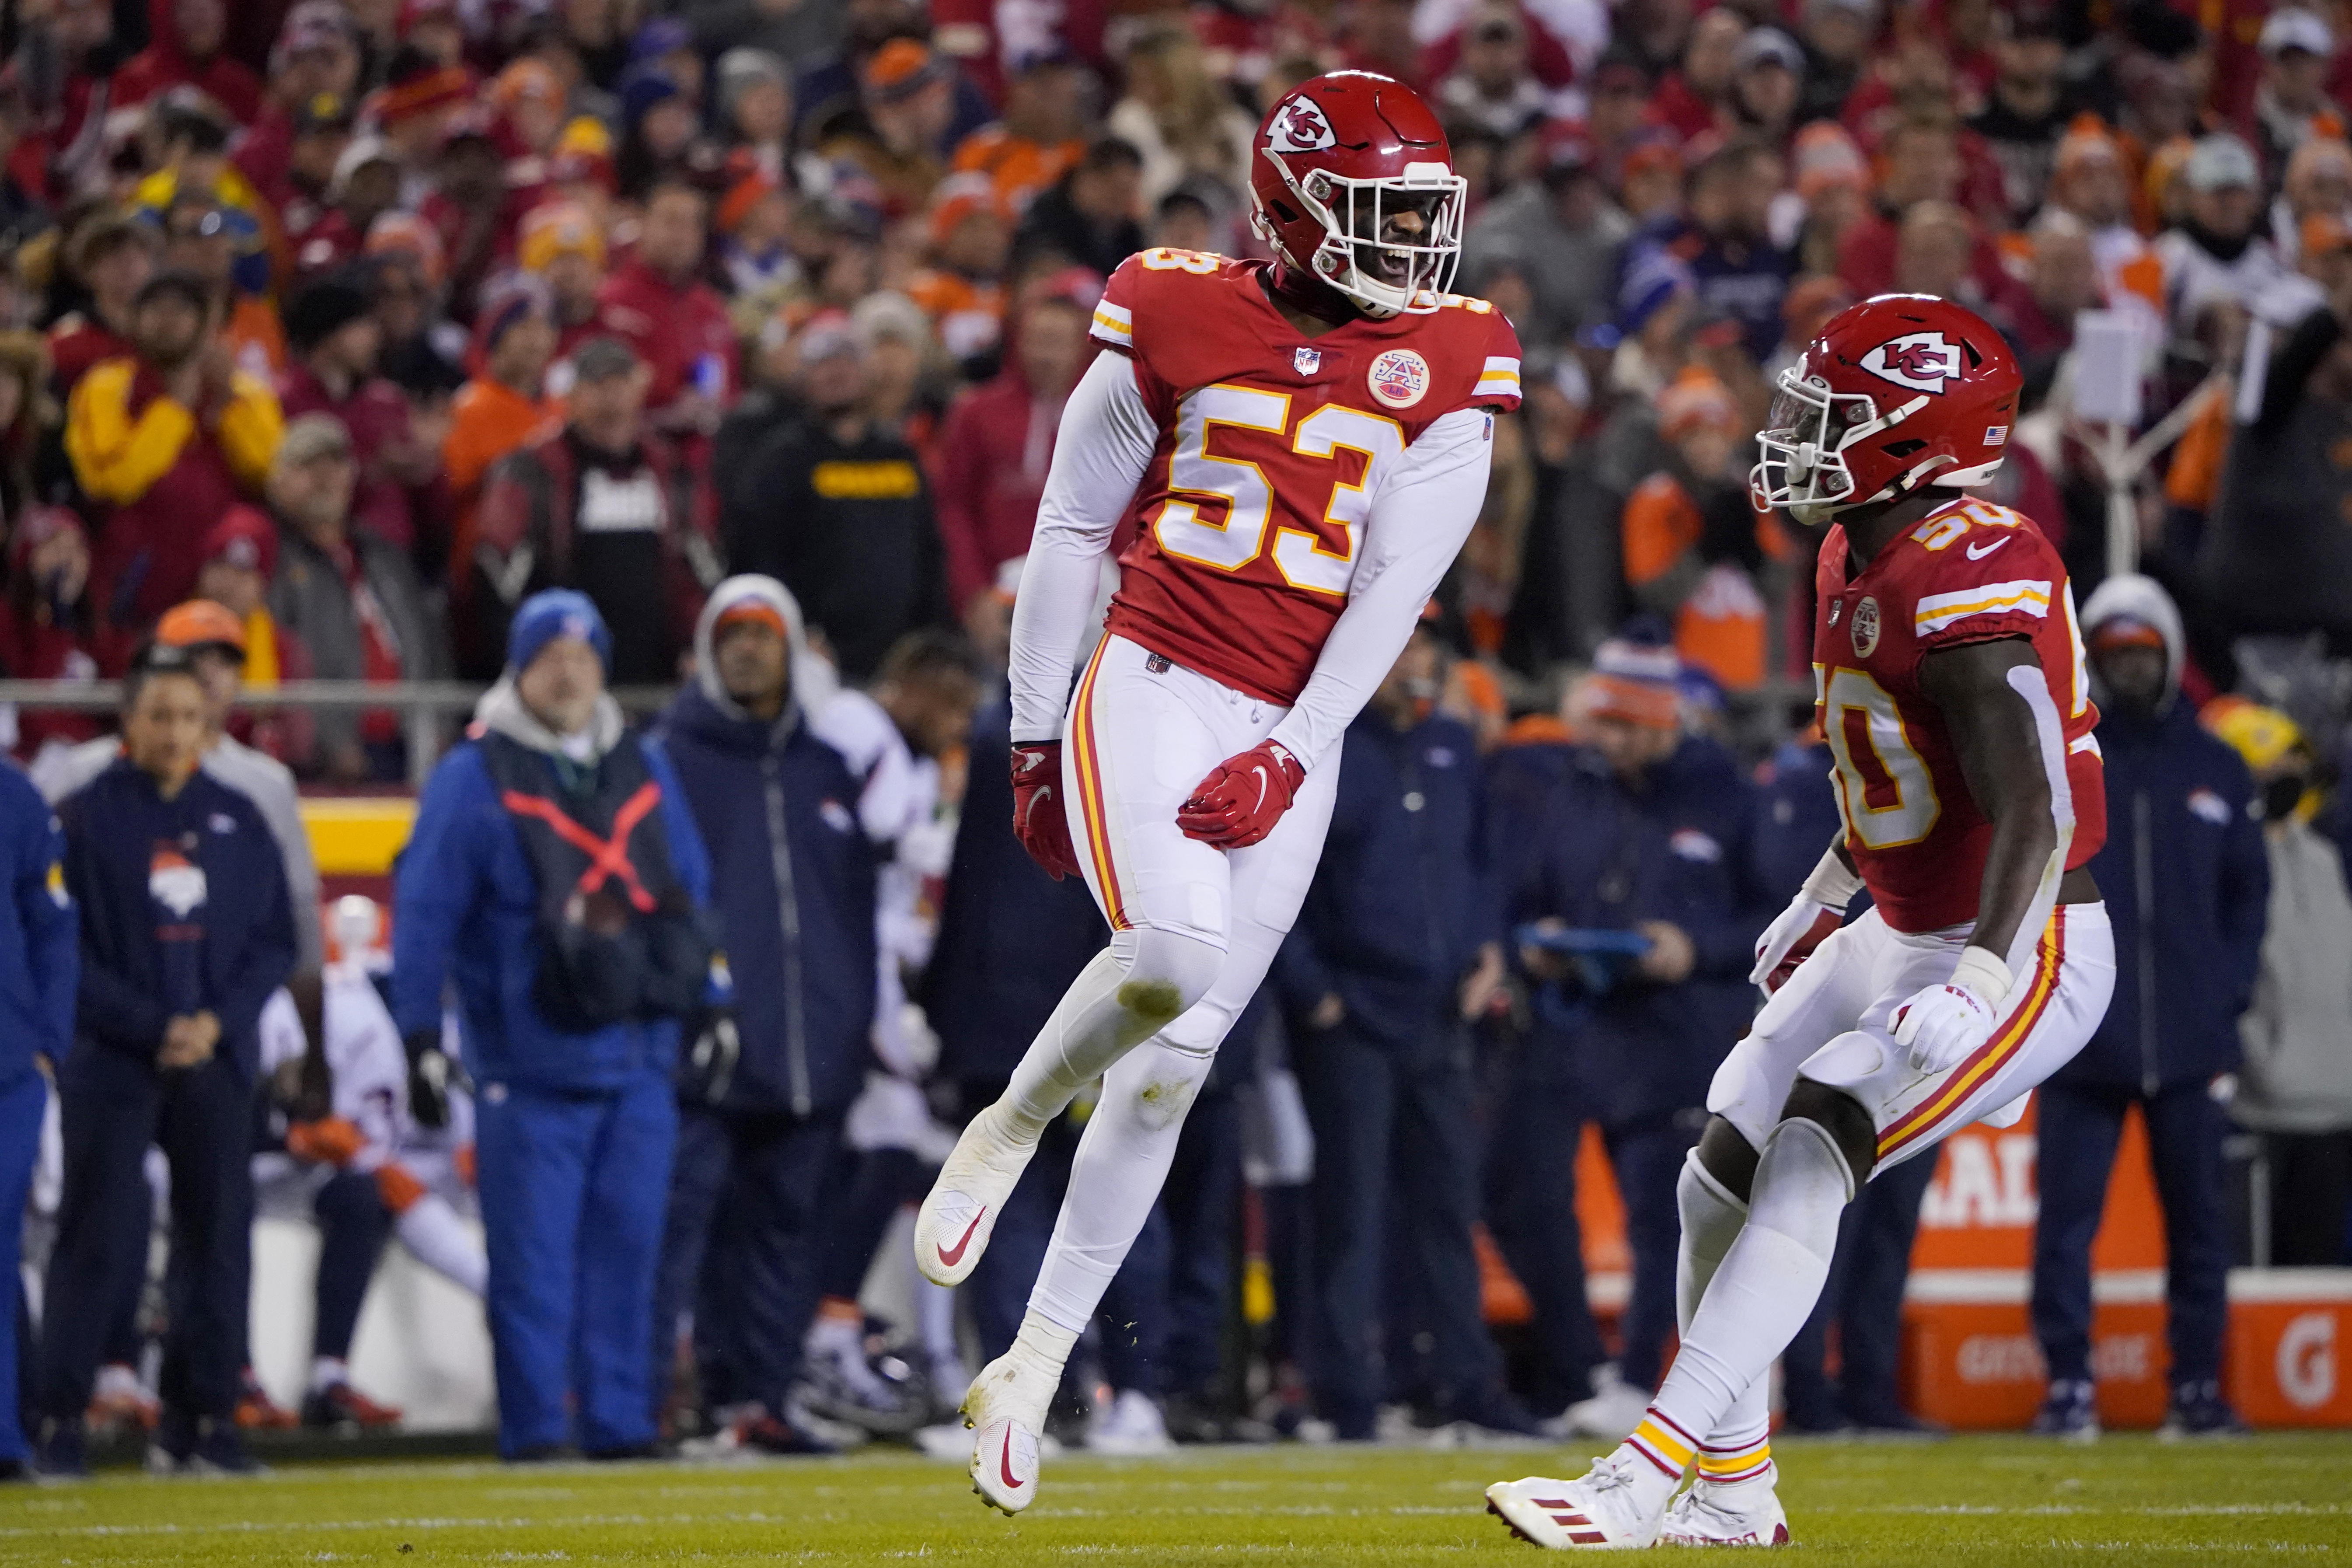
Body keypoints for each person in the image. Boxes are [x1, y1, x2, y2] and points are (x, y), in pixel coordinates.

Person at [911, 72, 1521, 1512]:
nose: (1408, 242)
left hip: (1290, 719)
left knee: (1179, 1063)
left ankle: (1036, 1362)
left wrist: (1296, 747)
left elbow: (1395, 587)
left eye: (1417, 211)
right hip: (1158, 674)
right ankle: (1007, 1122)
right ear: (1289, 205)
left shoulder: (1451, 349)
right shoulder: (1170, 302)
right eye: (1376, 212)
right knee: (1172, 954)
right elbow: (1067, 529)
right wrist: (1027, 732)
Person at [1488, 294, 2112, 1547]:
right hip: (1896, 920)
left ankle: (1643, 1471)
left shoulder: (1971, 567)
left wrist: (1983, 975)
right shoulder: (1848, 552)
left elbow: (2032, 811)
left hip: (2027, 936)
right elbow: (1898, 771)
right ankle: (1735, 1488)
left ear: (1918, 439)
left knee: (1825, 1118)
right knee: (1717, 1165)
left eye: (1828, 414)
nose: (1794, 434)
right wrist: (1823, 896)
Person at [391, 590, 714, 1462]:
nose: (568, 670)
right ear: (518, 668)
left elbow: (688, 891)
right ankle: (535, 1434)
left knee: (628, 1259)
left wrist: (711, 1004)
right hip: (528, 1063)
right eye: (550, 655)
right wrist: (418, 1033)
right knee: (534, 1272)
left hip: (639, 1055)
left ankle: (619, 1425)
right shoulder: (471, 775)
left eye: (583, 654)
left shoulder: (643, 763)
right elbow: (423, 914)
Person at [35, 642, 297, 1477]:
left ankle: (204, 1419)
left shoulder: (241, 817)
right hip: (113, 1057)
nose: (177, 730)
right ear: (129, 720)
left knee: (218, 1236)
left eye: (191, 716)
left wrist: (216, 1022)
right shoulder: (81, 816)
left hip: (216, 1057)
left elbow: (273, 942)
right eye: (161, 715)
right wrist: (154, 1024)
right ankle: (60, 1420)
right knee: (97, 1235)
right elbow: (63, 944)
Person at [1497, 638, 1762, 1441]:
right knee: (1521, 1198)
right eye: (1600, 721)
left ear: (1658, 724)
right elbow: (1529, 889)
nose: (1602, 739)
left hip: (1679, 1035)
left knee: (1661, 1220)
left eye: (1620, 725)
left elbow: (1776, 917)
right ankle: (1585, 1367)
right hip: (1578, 1027)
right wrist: (1533, 939)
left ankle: (1647, 1378)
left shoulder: (1723, 791)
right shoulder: (1575, 788)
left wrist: (1695, 948)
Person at [2030, 575, 2267, 1441]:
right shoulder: (2056, 761)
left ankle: (2197, 1388)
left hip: (2192, 1045)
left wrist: (2225, 991)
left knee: (2201, 1229)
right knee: (2064, 1228)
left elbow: (2250, 896)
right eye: (2113, 653)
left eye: (2144, 651)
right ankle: (2067, 1386)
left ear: (2169, 654)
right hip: (2079, 1043)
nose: (2129, 669)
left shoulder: (2216, 764)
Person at [649, 576, 879, 1454]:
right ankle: (709, 1394)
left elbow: (852, 912)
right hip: (711, 1047)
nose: (746, 649)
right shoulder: (670, 758)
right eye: (730, 634)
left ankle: (769, 1396)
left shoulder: (827, 769)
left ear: (792, 646)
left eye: (762, 633)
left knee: (792, 1230)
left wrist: (855, 1021)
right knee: (704, 1229)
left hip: (813, 1046)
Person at [1273, 627, 1521, 1439]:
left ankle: (1464, 1388)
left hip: (1441, 1011)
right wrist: (1316, 995)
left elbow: (1485, 864)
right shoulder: (1321, 747)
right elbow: (1284, 881)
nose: (1412, 664)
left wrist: (1491, 948)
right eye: (1398, 648)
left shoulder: (1453, 746)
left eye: (1422, 648)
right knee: (1351, 1211)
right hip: (1353, 1015)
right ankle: (1345, 1394)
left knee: (1450, 1207)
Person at [470, 337, 721, 684]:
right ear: (572, 398)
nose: (612, 399)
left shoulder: (671, 470)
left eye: (621, 385)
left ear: (638, 392)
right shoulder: (532, 470)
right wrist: (525, 657)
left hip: (657, 669)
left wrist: (699, 645)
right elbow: (499, 571)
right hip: (561, 668)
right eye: (598, 386)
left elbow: (700, 565)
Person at [725, 315, 950, 684]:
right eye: (823, 364)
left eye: (846, 361)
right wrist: (794, 632)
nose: (836, 373)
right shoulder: (781, 460)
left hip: (899, 659)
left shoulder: (900, 456)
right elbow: (760, 555)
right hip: (815, 657)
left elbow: (928, 550)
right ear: (803, 379)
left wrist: (931, 635)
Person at [2209, 702, 2352, 1267]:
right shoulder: (2220, 863)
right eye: (2269, 773)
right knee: (2249, 1275)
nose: (2287, 784)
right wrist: (2250, 1057)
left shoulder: (2323, 858)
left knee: (2319, 1282)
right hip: (2259, 1108)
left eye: (2294, 772)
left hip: (2336, 1102)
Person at [66, 269, 284, 632]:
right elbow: (112, 481)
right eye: (156, 310)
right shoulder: (105, 386)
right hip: (133, 596)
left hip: (225, 591)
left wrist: (229, 402)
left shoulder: (243, 393)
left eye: (181, 311)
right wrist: (173, 411)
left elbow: (272, 475)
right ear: (134, 321)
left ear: (203, 325)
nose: (168, 322)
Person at [266, 414, 448, 781]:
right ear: (278, 482)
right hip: (326, 765)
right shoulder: (272, 560)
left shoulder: (384, 555)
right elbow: (280, 662)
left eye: (335, 464)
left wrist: (442, 729)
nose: (325, 478)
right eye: (307, 466)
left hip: (409, 749)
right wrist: (328, 743)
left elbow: (430, 648)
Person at [0, 750, 75, 1479]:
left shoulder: (15, 797)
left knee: (0, 1247)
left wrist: (49, 1037)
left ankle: (4, 1436)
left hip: (8, 1063)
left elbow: (52, 923)